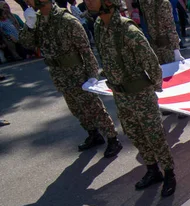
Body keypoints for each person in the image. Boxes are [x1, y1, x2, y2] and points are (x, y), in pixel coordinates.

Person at [83, 0, 178, 196]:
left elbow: (151, 62)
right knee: (134, 133)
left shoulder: (127, 30)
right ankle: (152, 169)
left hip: (140, 94)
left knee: (154, 135)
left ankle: (169, 173)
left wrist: (150, 90)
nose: (87, 2)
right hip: (120, 94)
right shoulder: (100, 27)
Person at [19, 0, 123, 157]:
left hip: (78, 73)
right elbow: (27, 43)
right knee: (76, 108)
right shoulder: (37, 19)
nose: (27, 1)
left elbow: (86, 50)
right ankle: (93, 134)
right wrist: (30, 25)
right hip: (59, 74)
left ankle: (112, 139)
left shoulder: (66, 20)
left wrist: (92, 75)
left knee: (93, 108)